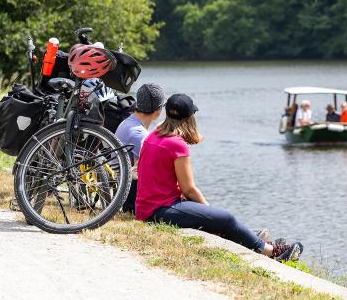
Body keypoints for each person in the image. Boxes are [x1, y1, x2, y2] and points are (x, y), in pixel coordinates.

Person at [136, 93, 303, 262]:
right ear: (189, 118)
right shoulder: (176, 143)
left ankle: (251, 238)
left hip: (148, 207)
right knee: (224, 217)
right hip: (159, 211)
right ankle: (271, 251)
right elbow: (189, 189)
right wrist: (210, 212)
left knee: (218, 219)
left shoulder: (154, 135)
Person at [115, 83, 165, 214]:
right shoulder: (140, 134)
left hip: (120, 185)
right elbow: (143, 173)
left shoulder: (128, 122)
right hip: (129, 196)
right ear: (157, 112)